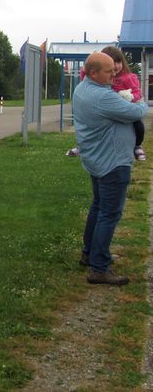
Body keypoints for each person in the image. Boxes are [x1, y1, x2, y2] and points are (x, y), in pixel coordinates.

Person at [73, 52, 148, 285]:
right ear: (93, 73)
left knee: (98, 207)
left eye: (115, 70)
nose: (114, 74)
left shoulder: (82, 89)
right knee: (109, 213)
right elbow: (137, 112)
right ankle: (99, 267)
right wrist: (141, 100)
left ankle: (90, 253)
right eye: (109, 71)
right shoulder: (102, 97)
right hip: (112, 163)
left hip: (97, 160)